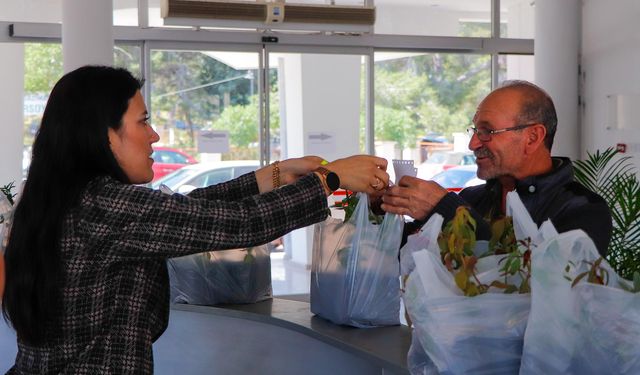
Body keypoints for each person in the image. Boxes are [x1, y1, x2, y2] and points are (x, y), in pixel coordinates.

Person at [1, 65, 390, 374]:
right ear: (104, 135)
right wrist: (330, 178)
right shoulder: (103, 206)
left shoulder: (65, 199)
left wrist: (274, 175)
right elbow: (238, 225)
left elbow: (185, 211)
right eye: (143, 121)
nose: (154, 135)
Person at [380, 80, 612, 256]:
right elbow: (402, 251)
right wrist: (380, 205)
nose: (473, 144)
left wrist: (450, 212)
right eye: (475, 131)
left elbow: (533, 281)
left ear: (532, 137)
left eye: (487, 131)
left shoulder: (583, 210)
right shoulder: (474, 199)